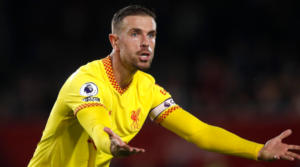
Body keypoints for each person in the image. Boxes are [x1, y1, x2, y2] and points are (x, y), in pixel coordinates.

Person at [28, 5, 300, 167]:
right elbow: (98, 126)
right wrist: (110, 144)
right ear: (114, 41)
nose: (146, 42)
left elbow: (199, 132)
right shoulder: (87, 82)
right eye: (135, 34)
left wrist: (257, 150)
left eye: (152, 35)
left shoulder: (147, 88)